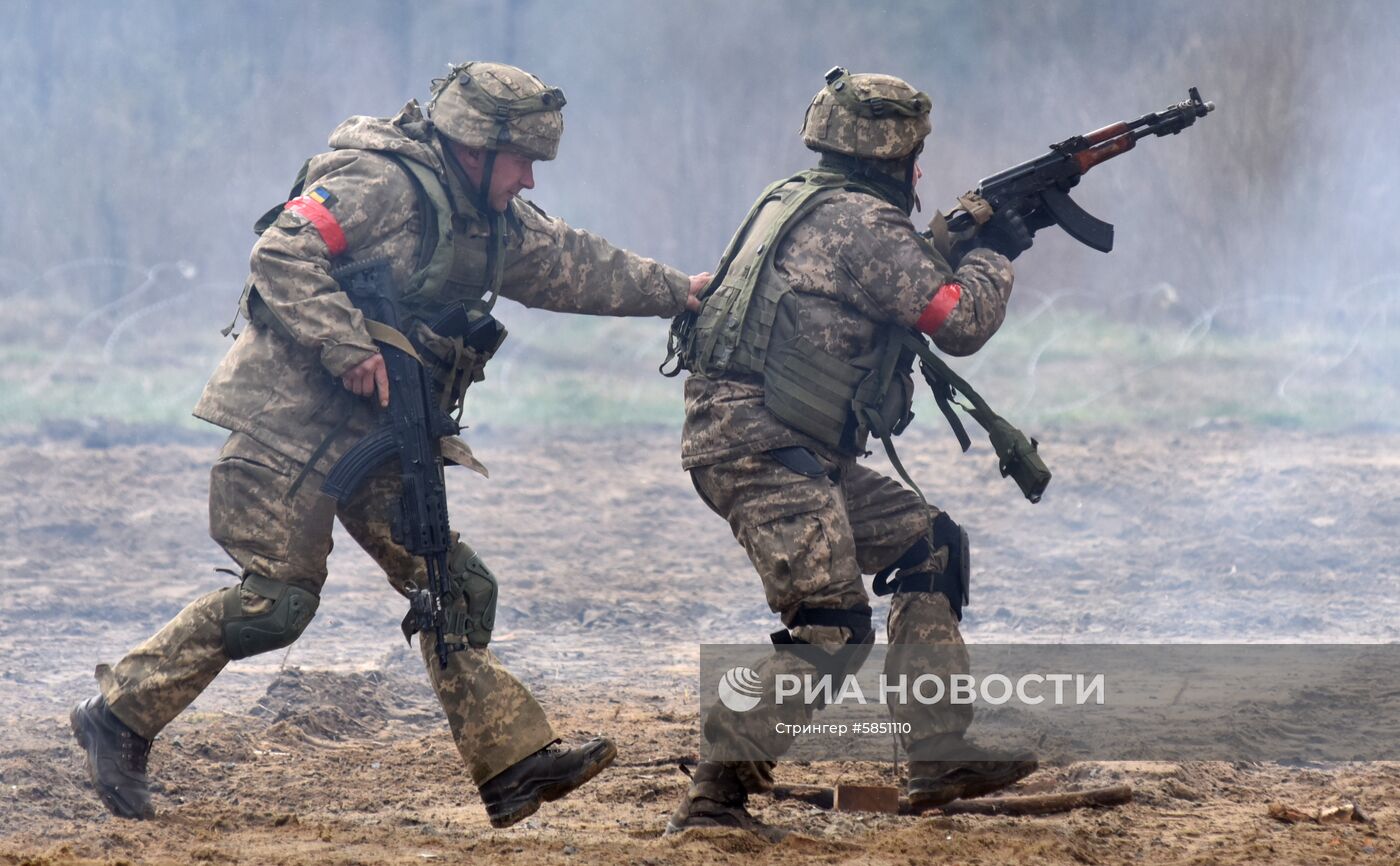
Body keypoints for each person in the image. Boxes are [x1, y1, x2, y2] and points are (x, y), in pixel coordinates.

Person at [70, 60, 708, 829]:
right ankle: (117, 715)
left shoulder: (487, 218)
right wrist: (347, 346)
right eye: (524, 162)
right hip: (290, 426)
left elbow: (574, 265)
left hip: (382, 435)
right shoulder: (379, 183)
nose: (531, 181)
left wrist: (679, 290)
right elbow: (281, 250)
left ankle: (511, 767)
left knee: (455, 584)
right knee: (277, 603)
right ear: (477, 145)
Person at [664, 67, 1038, 837]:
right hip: (759, 446)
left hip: (777, 442)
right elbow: (957, 321)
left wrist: (963, 244)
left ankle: (936, 752)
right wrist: (996, 254)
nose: (922, 173)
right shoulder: (865, 225)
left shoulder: (793, 200)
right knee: (831, 626)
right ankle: (713, 798)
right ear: (890, 157)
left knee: (927, 542)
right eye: (915, 158)